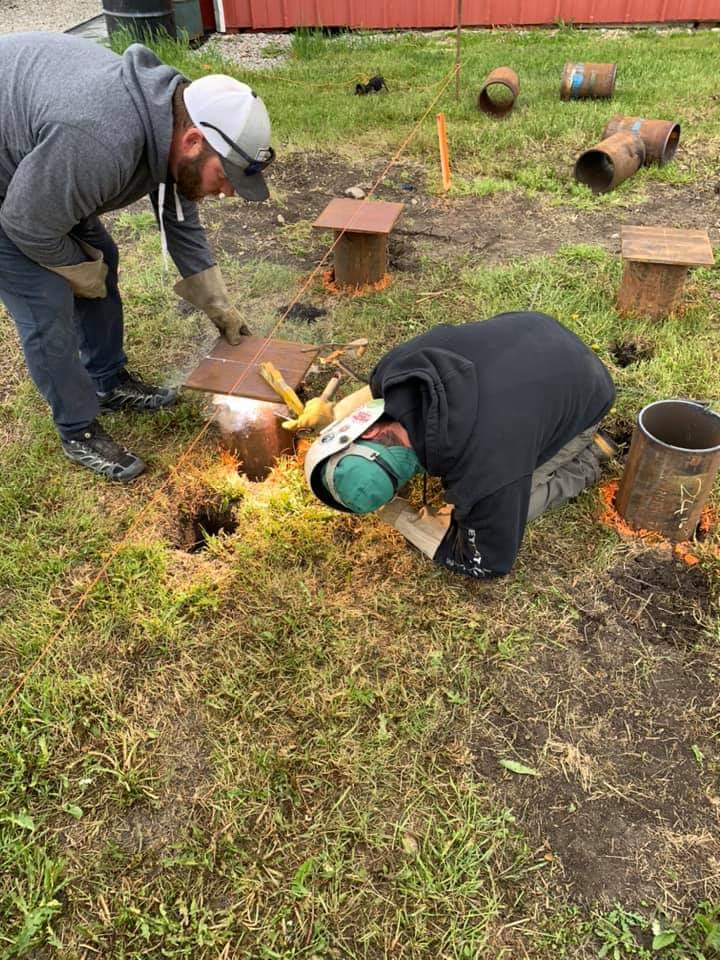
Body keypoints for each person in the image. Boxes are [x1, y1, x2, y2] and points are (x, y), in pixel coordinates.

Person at [0, 32, 274, 481]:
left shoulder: (169, 117)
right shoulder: (100, 141)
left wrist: (216, 304)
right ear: (192, 141)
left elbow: (179, 216)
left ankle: (108, 380)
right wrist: (78, 272)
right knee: (45, 296)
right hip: (15, 192)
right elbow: (24, 223)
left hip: (42, 166)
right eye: (225, 177)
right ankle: (78, 428)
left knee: (100, 255)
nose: (227, 192)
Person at [301, 312, 616, 579]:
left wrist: (401, 518)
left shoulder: (482, 472)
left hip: (588, 392)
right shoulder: (397, 368)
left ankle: (587, 460)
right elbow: (372, 397)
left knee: (514, 502)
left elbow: (488, 561)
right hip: (537, 329)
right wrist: (335, 415)